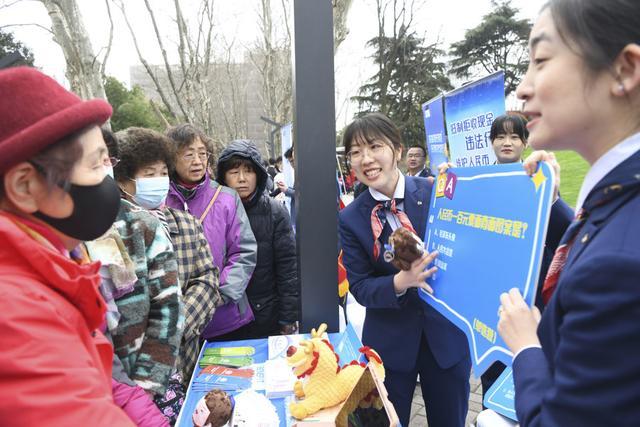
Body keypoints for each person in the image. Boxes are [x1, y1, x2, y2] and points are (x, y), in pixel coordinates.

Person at [497, 1, 640, 426]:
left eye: (540, 60)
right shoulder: (611, 203)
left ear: (624, 70)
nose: (522, 89)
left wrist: (525, 348)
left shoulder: (617, 267)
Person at [0, 67, 134, 425]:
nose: (107, 180)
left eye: (108, 162)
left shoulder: (47, 274)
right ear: (25, 187)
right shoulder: (14, 313)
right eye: (94, 165)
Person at [338, 112, 471, 427]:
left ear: (397, 150)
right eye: (356, 152)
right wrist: (400, 282)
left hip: (447, 340)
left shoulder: (435, 192)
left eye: (374, 147)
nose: (366, 159)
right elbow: (360, 286)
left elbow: (471, 246)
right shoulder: (351, 217)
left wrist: (462, 190)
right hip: (390, 347)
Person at [113, 127, 222, 387]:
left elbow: (207, 278)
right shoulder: (111, 234)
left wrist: (175, 324)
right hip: (135, 370)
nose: (159, 180)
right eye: (149, 174)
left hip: (186, 358)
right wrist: (156, 337)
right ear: (122, 181)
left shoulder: (186, 224)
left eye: (163, 173)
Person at [480, 113, 574, 403]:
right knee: (492, 385)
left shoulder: (540, 179)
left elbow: (566, 233)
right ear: (491, 142)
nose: (506, 143)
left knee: (531, 375)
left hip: (531, 304)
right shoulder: (478, 183)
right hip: (490, 303)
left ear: (524, 143)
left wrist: (553, 196)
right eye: (500, 136)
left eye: (514, 137)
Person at [165, 124, 257, 339]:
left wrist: (218, 293)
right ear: (171, 158)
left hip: (224, 315)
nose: (197, 161)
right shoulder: (161, 201)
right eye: (188, 155)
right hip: (176, 321)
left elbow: (244, 252)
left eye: (202, 154)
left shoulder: (226, 197)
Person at [216, 139, 299, 339]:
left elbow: (288, 269)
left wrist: (288, 317)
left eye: (249, 171)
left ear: (259, 174)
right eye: (234, 172)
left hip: (265, 317)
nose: (242, 178)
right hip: (223, 317)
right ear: (224, 176)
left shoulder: (274, 211)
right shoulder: (214, 211)